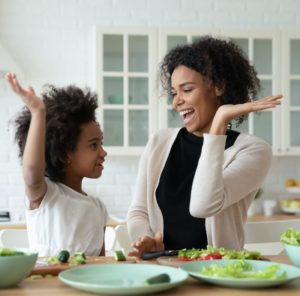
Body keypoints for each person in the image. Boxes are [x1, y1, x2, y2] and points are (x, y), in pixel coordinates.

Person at [127, 36, 282, 257]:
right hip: (163, 269)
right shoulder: (159, 142)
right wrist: (148, 241)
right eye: (174, 93)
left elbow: (202, 206)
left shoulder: (253, 151)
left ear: (218, 87)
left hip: (218, 274)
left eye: (187, 89)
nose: (176, 102)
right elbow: (138, 211)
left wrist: (219, 123)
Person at [6, 73, 108, 257]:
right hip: (48, 285)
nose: (103, 152)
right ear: (64, 155)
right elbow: (30, 172)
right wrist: (38, 112)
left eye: (101, 143)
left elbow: (101, 262)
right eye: (94, 145)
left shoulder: (98, 207)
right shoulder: (47, 196)